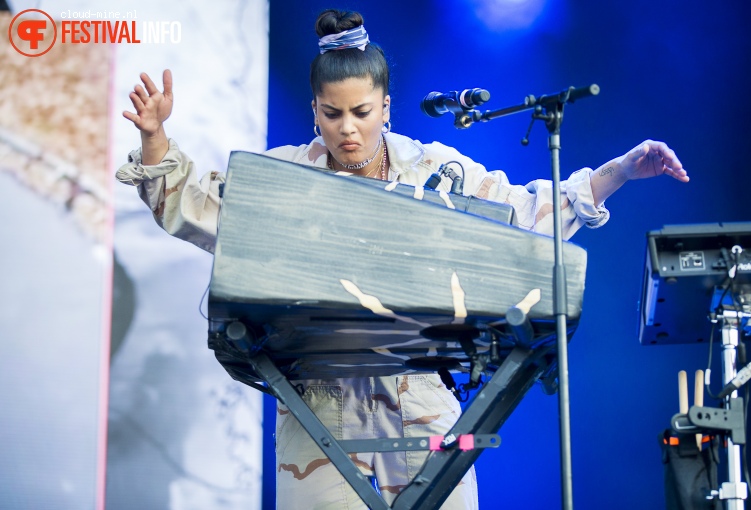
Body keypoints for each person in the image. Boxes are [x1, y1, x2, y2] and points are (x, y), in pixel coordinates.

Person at [116, 8, 689, 509]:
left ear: (386, 106)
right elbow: (199, 207)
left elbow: (525, 214)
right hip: (317, 411)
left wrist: (619, 172)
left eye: (361, 112)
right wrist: (155, 141)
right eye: (332, 114)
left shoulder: (434, 170)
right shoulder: (285, 179)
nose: (347, 129)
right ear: (314, 111)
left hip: (423, 402)